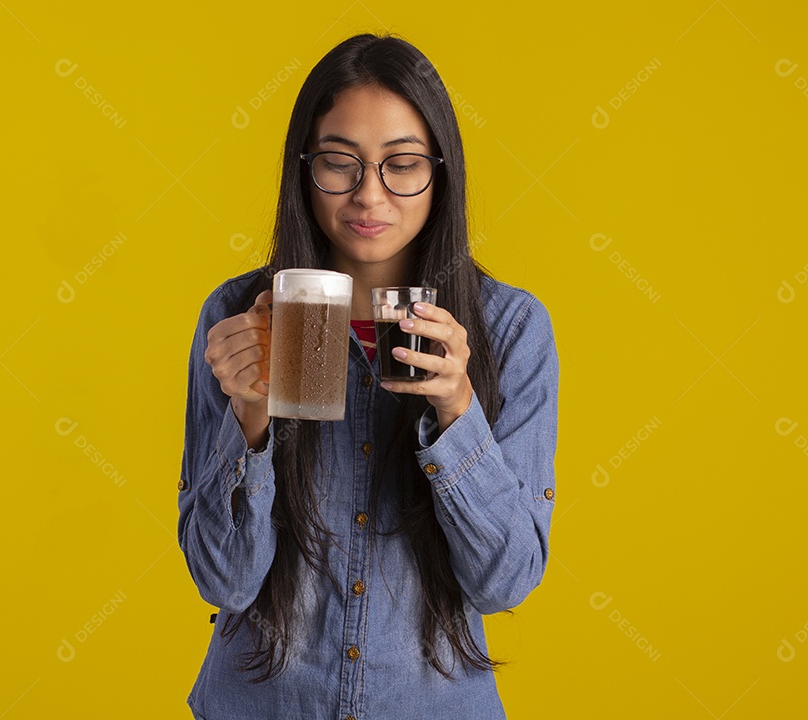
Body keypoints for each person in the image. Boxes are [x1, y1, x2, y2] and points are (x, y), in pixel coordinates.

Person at [178, 33, 558, 720]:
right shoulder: (238, 317)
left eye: (402, 164)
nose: (369, 195)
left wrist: (457, 414)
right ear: (304, 168)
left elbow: (504, 583)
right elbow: (224, 580)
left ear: (440, 172)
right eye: (339, 163)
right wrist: (250, 423)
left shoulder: (508, 329)